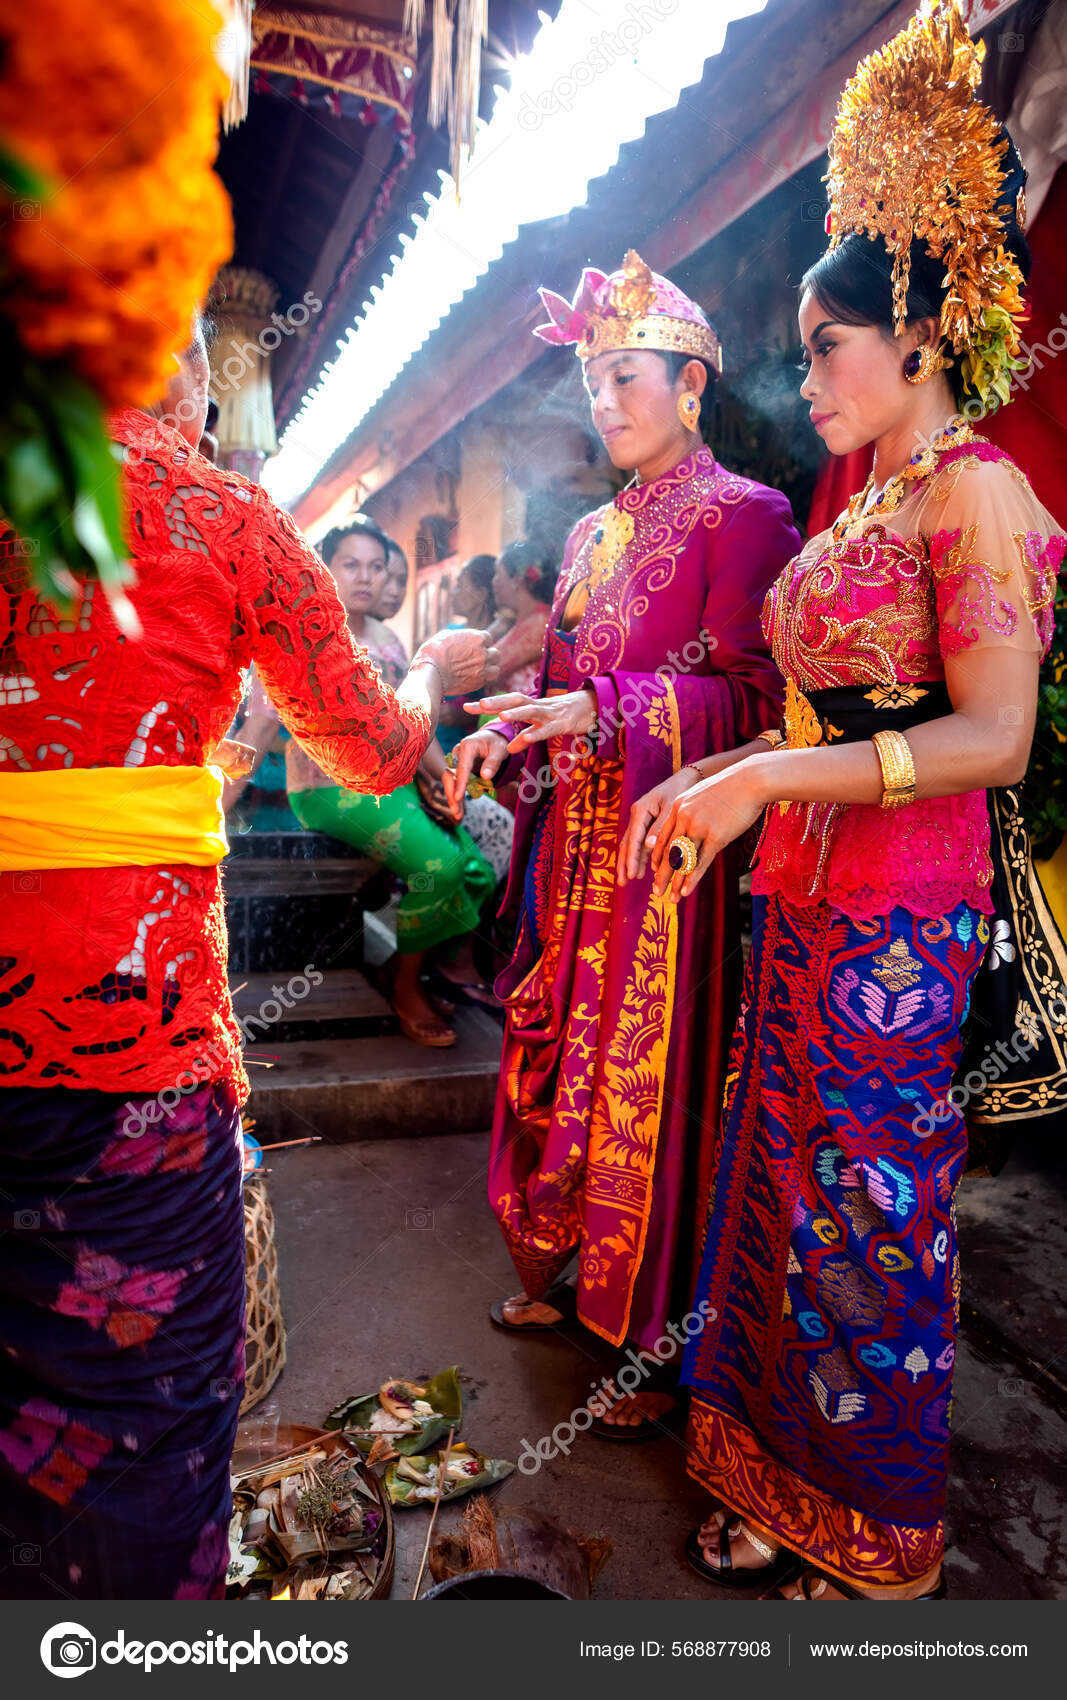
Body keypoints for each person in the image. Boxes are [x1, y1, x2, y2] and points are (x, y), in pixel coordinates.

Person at [621, 0, 1067, 1599]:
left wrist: (765, 777)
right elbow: (811, 707)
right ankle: (772, 1471)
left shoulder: (975, 495)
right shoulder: (863, 503)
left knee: (868, 1217)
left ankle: (871, 1529)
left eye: (824, 347)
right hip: (805, 898)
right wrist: (717, 772)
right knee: (778, 1190)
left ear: (918, 341)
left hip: (900, 916)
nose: (803, 375)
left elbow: (992, 738)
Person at [0, 319, 495, 1601]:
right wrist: (430, 687)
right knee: (145, 1397)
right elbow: (365, 742)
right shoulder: (219, 515)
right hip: (127, 1039)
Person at [445, 250, 800, 1433]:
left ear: (691, 384)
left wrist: (606, 710)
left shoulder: (745, 517)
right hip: (571, 844)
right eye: (591, 381)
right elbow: (563, 691)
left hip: (665, 860)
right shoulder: (590, 533)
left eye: (625, 377)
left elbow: (758, 701)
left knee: (646, 1082)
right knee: (552, 1053)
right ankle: (559, 1269)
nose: (602, 402)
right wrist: (513, 733)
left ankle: (646, 1336)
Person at [287, 517, 497, 1043]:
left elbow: (414, 728)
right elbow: (265, 724)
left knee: (476, 868)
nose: (366, 577)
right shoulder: (303, 634)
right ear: (324, 567)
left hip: (389, 781)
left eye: (376, 566)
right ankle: (406, 987)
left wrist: (447, 780)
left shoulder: (391, 644)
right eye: (351, 564)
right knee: (440, 866)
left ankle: (401, 970)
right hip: (327, 786)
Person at [437, 554, 498, 757]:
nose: (453, 593)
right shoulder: (449, 634)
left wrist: (465, 714)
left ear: (481, 593)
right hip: (435, 743)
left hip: (474, 748)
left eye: (460, 586)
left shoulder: (500, 641)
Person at [489, 539, 555, 696]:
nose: (493, 582)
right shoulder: (525, 621)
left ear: (517, 580)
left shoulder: (540, 623)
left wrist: (490, 633)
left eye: (498, 574)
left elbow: (483, 671)